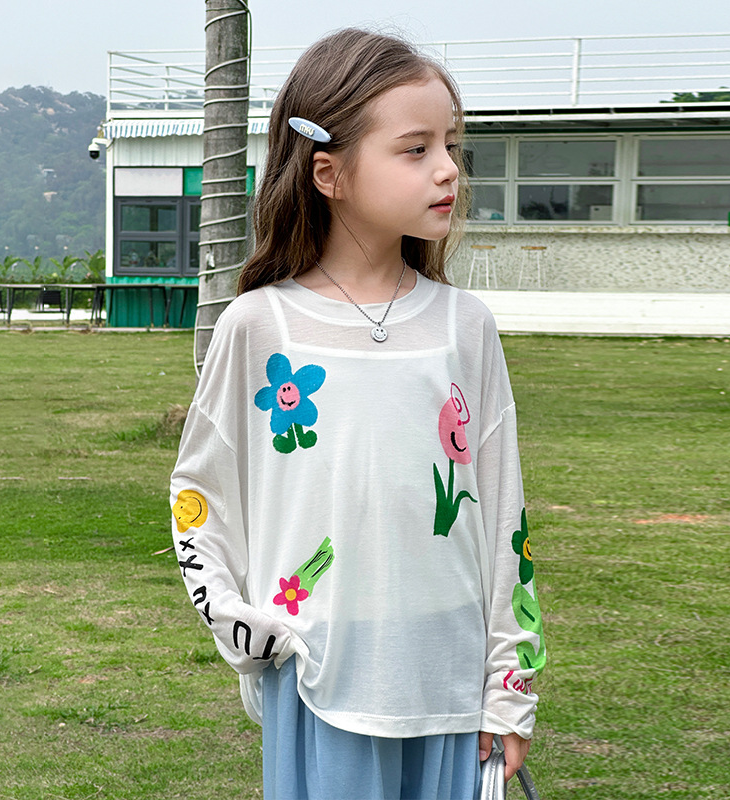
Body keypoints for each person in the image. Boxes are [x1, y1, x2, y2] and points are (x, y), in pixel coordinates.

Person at [170, 27, 545, 800]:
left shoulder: (465, 327)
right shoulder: (259, 327)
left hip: (449, 685)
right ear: (329, 173)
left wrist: (509, 685)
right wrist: (240, 625)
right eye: (415, 149)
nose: (448, 169)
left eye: (451, 144)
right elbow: (198, 498)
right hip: (319, 677)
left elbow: (505, 517)